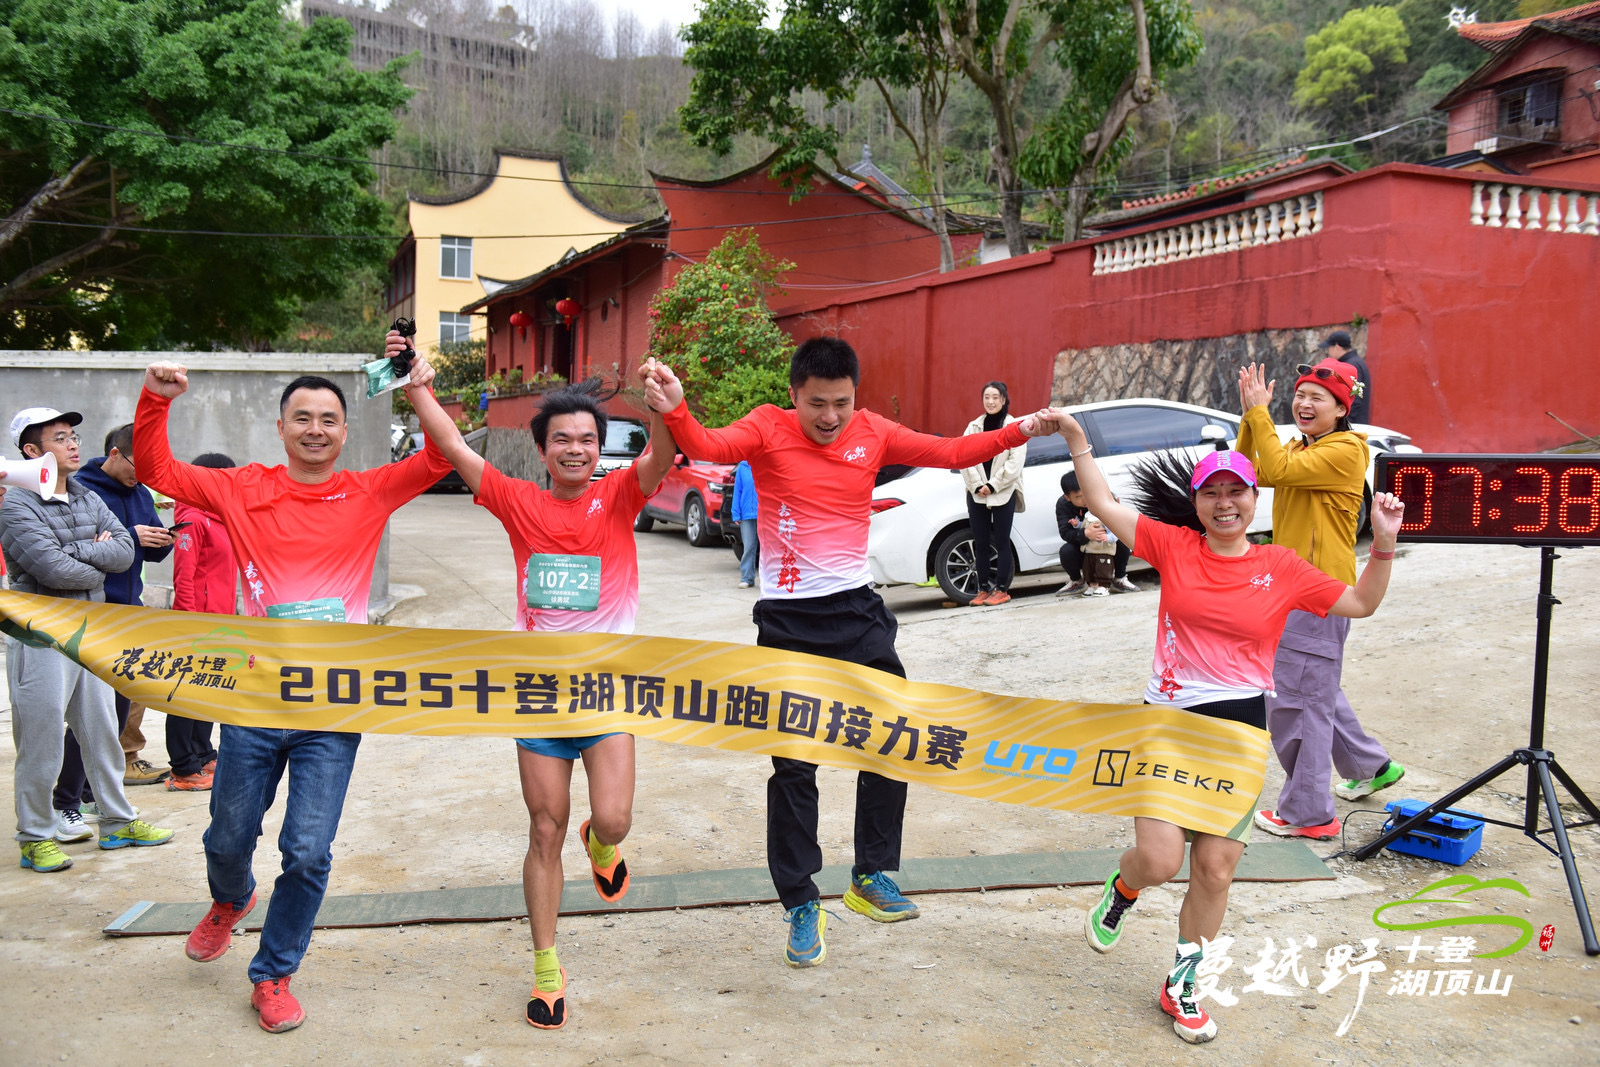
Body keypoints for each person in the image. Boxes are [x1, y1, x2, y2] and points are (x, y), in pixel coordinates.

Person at [640, 337, 1056, 968]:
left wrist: (1021, 428)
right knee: (795, 763)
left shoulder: (873, 431)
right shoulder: (767, 427)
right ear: (794, 396)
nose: (830, 417)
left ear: (855, 398)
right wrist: (674, 407)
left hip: (857, 611)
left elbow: (952, 452)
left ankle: (870, 874)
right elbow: (708, 445)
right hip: (789, 620)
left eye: (841, 403)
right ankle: (801, 901)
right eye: (817, 404)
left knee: (896, 733)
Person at [1059, 412, 1404, 1045]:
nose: (1224, 503)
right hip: (1168, 722)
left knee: (1215, 870)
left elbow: (1361, 602)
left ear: (1253, 499)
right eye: (1212, 492)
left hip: (1240, 730)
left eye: (1236, 491)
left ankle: (1182, 983)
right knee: (1161, 861)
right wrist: (1078, 440)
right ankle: (1125, 886)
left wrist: (1381, 543)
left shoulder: (1282, 566)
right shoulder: (1173, 546)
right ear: (1196, 503)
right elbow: (1103, 502)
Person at [134, 361, 451, 1034]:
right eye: (302, 418)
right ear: (280, 427)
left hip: (331, 708)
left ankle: (273, 972)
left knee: (307, 850)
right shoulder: (242, 487)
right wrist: (155, 400)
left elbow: (440, 456)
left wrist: (419, 388)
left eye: (329, 419)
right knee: (228, 836)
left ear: (345, 431)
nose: (315, 429)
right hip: (254, 703)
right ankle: (232, 898)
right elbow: (157, 469)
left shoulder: (368, 491)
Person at [396, 330, 676, 1031]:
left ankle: (602, 844)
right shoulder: (519, 501)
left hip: (606, 694)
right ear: (542, 448)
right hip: (539, 698)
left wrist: (666, 406)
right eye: (562, 440)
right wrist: (417, 384)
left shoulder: (619, 497)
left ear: (599, 448)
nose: (575, 449)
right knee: (544, 827)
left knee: (613, 817)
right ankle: (546, 966)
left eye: (587, 440)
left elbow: (662, 456)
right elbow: (454, 448)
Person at [3, 407, 175, 873]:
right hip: (40, 637)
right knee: (41, 741)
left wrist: (80, 552)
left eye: (74, 436)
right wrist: (95, 556)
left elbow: (124, 552)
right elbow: (53, 570)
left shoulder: (85, 495)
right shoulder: (16, 505)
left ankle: (117, 822)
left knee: (102, 733)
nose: (73, 444)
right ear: (32, 451)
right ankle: (35, 835)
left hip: (90, 634)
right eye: (60, 438)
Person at [1236, 360, 1403, 840]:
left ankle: (1308, 813)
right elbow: (1247, 473)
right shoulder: (1305, 447)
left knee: (1299, 700)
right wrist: (1250, 417)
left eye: (1317, 398)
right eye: (1300, 395)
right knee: (1313, 686)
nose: (1304, 405)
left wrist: (1261, 414)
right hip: (1295, 590)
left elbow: (1276, 469)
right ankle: (1370, 766)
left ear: (1341, 409)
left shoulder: (1346, 450)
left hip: (1315, 593)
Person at [53, 424, 175, 827]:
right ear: (115, 454)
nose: (144, 476)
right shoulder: (82, 492)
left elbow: (144, 552)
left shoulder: (140, 493)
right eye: (140, 465)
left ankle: (91, 796)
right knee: (89, 714)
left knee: (119, 709)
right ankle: (65, 800)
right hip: (90, 615)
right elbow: (77, 551)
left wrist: (161, 541)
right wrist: (130, 539)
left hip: (128, 613)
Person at [164, 452, 238, 792]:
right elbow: (184, 576)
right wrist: (188, 622)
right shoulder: (193, 521)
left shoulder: (220, 519)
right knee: (186, 692)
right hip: (197, 622)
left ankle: (203, 753)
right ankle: (182, 767)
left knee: (208, 688)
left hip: (220, 622)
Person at [960, 381, 1025, 605]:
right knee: (980, 542)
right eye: (986, 397)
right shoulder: (973, 427)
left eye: (995, 397)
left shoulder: (1014, 426)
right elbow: (964, 456)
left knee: (1002, 541)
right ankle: (983, 589)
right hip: (977, 493)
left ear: (1004, 400)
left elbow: (1014, 464)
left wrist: (993, 485)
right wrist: (977, 485)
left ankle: (1001, 590)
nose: (990, 401)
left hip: (1003, 492)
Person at [1055, 470, 1136, 597]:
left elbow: (1120, 524)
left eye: (1086, 494)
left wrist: (1117, 510)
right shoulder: (1063, 505)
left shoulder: (1103, 496)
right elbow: (1065, 533)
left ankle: (1119, 579)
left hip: (1106, 543)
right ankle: (1077, 581)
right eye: (1078, 497)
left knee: (1122, 541)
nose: (1084, 500)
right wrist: (1085, 533)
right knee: (1066, 551)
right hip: (1085, 548)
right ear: (1068, 497)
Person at [1318, 330, 1370, 424]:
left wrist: (1344, 423)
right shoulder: (1355, 362)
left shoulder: (1350, 365)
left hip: (1352, 423)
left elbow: (1353, 398)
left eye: (1329, 348)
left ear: (1337, 347)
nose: (1328, 352)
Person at [732, 459, 759, 588]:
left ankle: (769, 579)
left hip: (764, 514)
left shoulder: (765, 464)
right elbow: (737, 490)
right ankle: (747, 578)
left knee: (768, 549)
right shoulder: (742, 467)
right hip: (746, 514)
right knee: (748, 547)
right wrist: (736, 513)